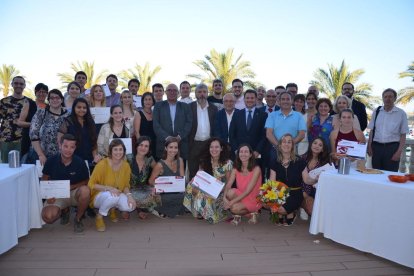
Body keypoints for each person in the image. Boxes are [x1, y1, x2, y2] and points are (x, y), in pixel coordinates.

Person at [41, 134, 90, 233]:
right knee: (48, 217)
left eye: (72, 147)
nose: (68, 150)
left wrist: (72, 187)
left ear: (75, 148)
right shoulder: (51, 160)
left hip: (73, 193)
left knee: (85, 191)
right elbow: (44, 179)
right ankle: (65, 211)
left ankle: (78, 219)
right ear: (60, 145)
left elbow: (86, 181)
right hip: (56, 194)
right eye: (65, 146)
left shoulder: (80, 162)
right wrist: (48, 195)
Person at [88, 139, 136, 231]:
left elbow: (126, 185)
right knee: (113, 197)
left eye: (120, 149)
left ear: (124, 151)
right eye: (115, 149)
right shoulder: (102, 164)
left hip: (116, 194)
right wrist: (108, 188)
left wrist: (130, 196)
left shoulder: (126, 166)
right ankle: (99, 216)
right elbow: (91, 184)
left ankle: (112, 209)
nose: (118, 152)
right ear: (110, 151)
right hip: (99, 196)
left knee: (130, 206)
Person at [184, 138, 233, 223]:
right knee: (191, 185)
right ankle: (199, 210)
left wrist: (220, 194)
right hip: (206, 189)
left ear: (221, 148)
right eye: (211, 147)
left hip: (220, 192)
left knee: (203, 196)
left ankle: (210, 213)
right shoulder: (204, 161)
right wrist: (195, 182)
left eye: (217, 147)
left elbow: (229, 184)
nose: (214, 150)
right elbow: (199, 177)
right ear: (209, 148)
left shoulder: (228, 163)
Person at [367, 88, 409, 172]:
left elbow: (403, 135)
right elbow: (371, 130)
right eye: (385, 97)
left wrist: (399, 152)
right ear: (382, 98)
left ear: (395, 98)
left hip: (392, 149)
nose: (387, 99)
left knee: (391, 174)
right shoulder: (377, 111)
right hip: (376, 148)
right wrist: (369, 146)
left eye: (390, 96)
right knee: (375, 173)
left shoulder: (401, 113)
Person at [269, 134, 306, 226]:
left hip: (295, 193)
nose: (286, 144)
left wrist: (315, 179)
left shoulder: (300, 161)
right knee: (268, 202)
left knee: (280, 209)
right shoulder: (274, 161)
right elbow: (272, 182)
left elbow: (307, 179)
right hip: (281, 193)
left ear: (293, 145)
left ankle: (291, 212)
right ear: (280, 145)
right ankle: (282, 213)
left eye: (289, 142)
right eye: (284, 142)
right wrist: (270, 199)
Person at [223, 144, 262, 226]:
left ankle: (254, 211)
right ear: (238, 154)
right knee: (229, 193)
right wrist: (224, 198)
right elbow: (229, 184)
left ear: (251, 154)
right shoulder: (236, 167)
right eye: (241, 152)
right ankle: (246, 212)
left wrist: (231, 203)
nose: (243, 154)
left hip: (253, 198)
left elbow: (248, 191)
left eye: (246, 152)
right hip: (242, 194)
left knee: (233, 208)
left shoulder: (256, 169)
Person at [153, 83, 192, 160]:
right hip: (163, 145)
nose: (172, 92)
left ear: (178, 93)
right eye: (169, 90)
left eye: (174, 90)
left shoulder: (185, 106)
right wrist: (167, 137)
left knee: (180, 170)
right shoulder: (158, 106)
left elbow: (189, 123)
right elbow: (156, 125)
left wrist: (179, 137)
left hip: (181, 145)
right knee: (163, 170)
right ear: (165, 92)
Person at [0, 76, 35, 163]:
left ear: (24, 86)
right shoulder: (3, 101)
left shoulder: (30, 102)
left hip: (22, 141)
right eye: (16, 83)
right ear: (12, 84)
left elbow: (34, 122)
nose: (18, 85)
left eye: (21, 84)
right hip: (5, 140)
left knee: (21, 168)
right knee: (5, 167)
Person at [148, 137, 185, 218]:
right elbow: (150, 181)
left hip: (177, 191)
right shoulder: (160, 165)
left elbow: (182, 179)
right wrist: (161, 186)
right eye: (171, 147)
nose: (173, 150)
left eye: (176, 147)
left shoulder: (180, 160)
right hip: (165, 193)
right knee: (167, 199)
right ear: (166, 148)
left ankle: (171, 209)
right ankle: (160, 209)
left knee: (187, 196)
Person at [29, 89, 69, 165]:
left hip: (61, 156)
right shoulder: (41, 113)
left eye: (57, 98)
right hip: (40, 155)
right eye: (52, 98)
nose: (55, 100)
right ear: (49, 100)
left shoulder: (67, 115)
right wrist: (41, 155)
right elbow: (33, 134)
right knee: (41, 176)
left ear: (61, 100)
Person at [265, 91, 306, 162]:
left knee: (292, 172)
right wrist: (279, 146)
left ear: (292, 101)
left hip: (292, 151)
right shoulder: (272, 115)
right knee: (274, 173)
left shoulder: (299, 115)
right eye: (283, 99)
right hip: (276, 150)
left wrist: (289, 146)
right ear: (279, 101)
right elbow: (269, 133)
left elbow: (302, 134)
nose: (285, 101)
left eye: (287, 99)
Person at [58, 98, 101, 165]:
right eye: (79, 107)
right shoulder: (68, 121)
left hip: (89, 159)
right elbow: (60, 140)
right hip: (72, 159)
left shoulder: (90, 122)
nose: (82, 109)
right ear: (74, 108)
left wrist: (95, 157)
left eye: (84, 108)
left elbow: (94, 142)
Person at [188, 83, 218, 180]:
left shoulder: (213, 108)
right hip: (194, 144)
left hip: (208, 144)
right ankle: (192, 193)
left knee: (208, 170)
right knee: (193, 170)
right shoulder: (189, 107)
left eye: (204, 92)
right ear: (195, 93)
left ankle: (207, 194)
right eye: (199, 92)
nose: (202, 94)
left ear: (207, 93)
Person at [229, 89, 267, 158]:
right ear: (244, 99)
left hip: (256, 154)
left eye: (252, 98)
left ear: (256, 99)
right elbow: (232, 134)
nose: (250, 100)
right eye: (247, 98)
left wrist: (258, 150)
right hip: (239, 153)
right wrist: (236, 150)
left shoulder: (263, 115)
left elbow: (264, 135)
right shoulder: (237, 114)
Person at [129, 136, 160, 219]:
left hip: (143, 188)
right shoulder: (128, 158)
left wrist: (154, 184)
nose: (143, 148)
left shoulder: (149, 159)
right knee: (144, 197)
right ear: (136, 146)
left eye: (146, 146)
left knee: (157, 193)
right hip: (128, 189)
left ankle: (141, 208)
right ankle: (139, 209)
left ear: (149, 148)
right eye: (141, 145)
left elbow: (159, 170)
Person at [17, 83, 48, 159]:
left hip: (44, 142)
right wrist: (35, 125)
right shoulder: (29, 103)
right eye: (39, 91)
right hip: (28, 139)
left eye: (44, 92)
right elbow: (20, 122)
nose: (41, 93)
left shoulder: (49, 107)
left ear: (47, 93)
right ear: (35, 93)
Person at [301, 137, 331, 216]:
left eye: (320, 145)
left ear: (322, 149)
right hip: (301, 191)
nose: (317, 146)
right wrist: (305, 195)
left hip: (317, 192)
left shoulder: (324, 164)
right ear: (311, 145)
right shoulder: (301, 159)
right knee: (312, 210)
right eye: (315, 143)